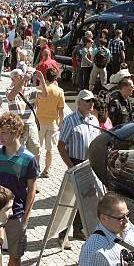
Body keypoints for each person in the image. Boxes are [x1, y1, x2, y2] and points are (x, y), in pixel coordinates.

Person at [0, 112, 39, 266]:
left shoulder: (29, 159)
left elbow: (32, 192)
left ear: (16, 133)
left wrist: (25, 219)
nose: (0, 136)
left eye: (4, 133)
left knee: (15, 257)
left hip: (16, 215)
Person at [57, 89, 102, 248]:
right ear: (79, 103)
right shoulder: (70, 120)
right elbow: (61, 145)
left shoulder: (93, 120)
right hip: (75, 162)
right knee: (69, 201)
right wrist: (70, 166)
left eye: (92, 101)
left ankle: (78, 228)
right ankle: (62, 234)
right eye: (87, 101)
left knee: (85, 199)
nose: (91, 104)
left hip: (89, 163)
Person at [79, 193, 134, 266]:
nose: (127, 221)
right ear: (104, 218)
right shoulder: (93, 250)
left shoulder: (128, 227)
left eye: (128, 215)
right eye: (121, 218)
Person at [6, 69, 42, 161]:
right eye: (19, 76)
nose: (22, 77)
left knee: (35, 148)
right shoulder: (9, 90)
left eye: (23, 75)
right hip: (17, 126)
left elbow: (45, 95)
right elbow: (11, 96)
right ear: (13, 79)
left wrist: (42, 80)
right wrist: (24, 79)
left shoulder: (30, 90)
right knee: (18, 149)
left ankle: (35, 168)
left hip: (30, 125)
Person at [35, 67, 64, 178]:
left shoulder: (39, 89)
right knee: (50, 149)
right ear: (55, 77)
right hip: (53, 123)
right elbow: (61, 111)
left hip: (39, 121)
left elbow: (35, 106)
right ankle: (46, 170)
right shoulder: (59, 91)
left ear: (45, 77)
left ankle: (36, 167)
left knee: (37, 147)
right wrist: (61, 123)